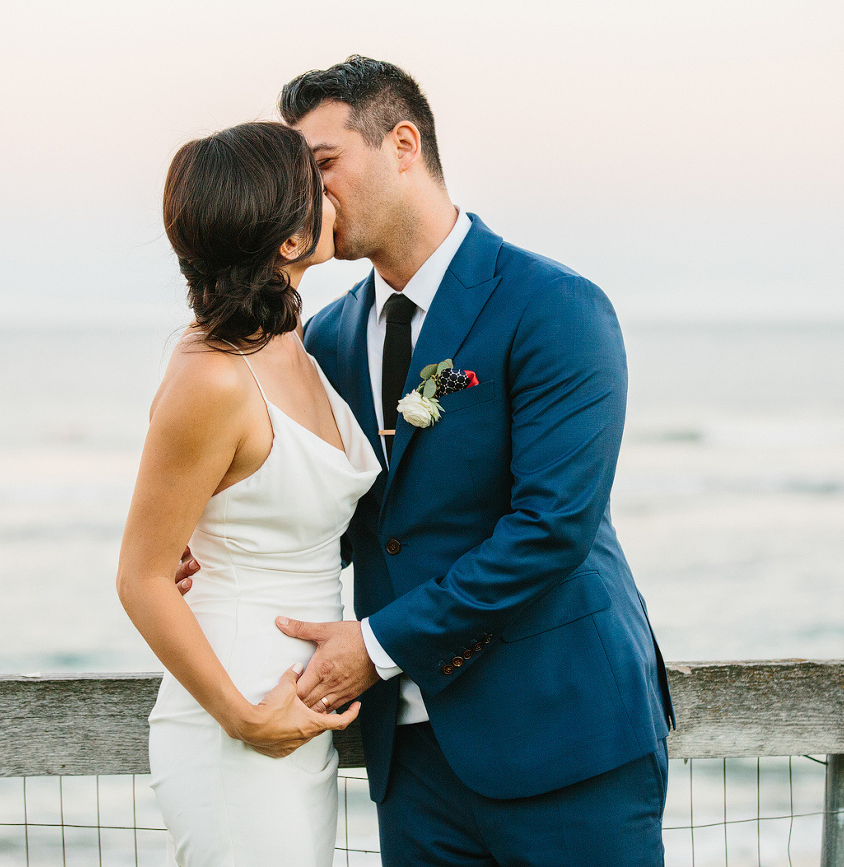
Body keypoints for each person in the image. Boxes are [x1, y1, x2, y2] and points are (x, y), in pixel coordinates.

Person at [272, 56, 677, 865]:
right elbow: (342, 517)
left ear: (402, 143)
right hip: (410, 761)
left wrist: (376, 644)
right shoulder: (325, 340)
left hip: (566, 737)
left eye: (322, 167)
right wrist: (215, 550)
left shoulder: (553, 306)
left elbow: (550, 528)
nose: (309, 200)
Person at [116, 121, 376, 867]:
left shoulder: (290, 343)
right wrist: (241, 718)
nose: (330, 194)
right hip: (240, 716)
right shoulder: (213, 374)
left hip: (295, 706)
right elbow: (140, 576)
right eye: (313, 184)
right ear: (288, 242)